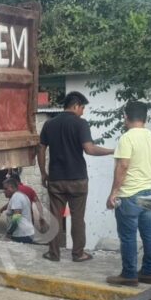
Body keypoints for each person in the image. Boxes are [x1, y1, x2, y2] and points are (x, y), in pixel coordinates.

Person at [36, 91, 113, 262]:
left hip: (56, 179)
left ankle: (53, 253)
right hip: (77, 179)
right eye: (82, 108)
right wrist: (112, 151)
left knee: (55, 217)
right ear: (76, 105)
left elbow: (41, 149)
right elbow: (90, 149)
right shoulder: (80, 124)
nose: (83, 112)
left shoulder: (50, 124)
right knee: (78, 218)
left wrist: (43, 172)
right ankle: (78, 254)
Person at [105, 101, 151, 286]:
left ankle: (129, 275)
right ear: (145, 118)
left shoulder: (127, 138)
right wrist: (150, 182)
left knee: (128, 236)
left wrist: (114, 192)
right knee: (148, 234)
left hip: (129, 195)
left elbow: (123, 165)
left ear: (126, 117)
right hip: (148, 192)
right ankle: (148, 273)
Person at [2, 177, 37, 244]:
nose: (4, 191)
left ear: (11, 187)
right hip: (27, 233)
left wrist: (9, 233)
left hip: (21, 235)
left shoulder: (16, 197)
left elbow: (17, 217)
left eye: (5, 189)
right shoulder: (22, 195)